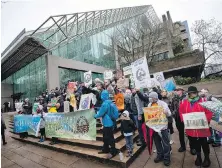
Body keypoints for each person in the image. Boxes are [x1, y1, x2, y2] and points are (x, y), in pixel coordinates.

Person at [179, 86, 213, 167]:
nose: (192, 94)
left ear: (197, 93)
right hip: (191, 128)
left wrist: (205, 120)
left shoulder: (204, 102)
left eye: (194, 93)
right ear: (188, 94)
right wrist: (184, 119)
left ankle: (207, 158)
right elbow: (181, 112)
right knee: (195, 143)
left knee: (204, 143)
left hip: (202, 127)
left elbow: (209, 113)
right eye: (190, 93)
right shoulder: (185, 103)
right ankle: (198, 157)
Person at [148, 92, 172, 166]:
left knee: (165, 143)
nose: (150, 99)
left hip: (163, 127)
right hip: (154, 127)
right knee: (157, 142)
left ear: (155, 97)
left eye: (151, 97)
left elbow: (169, 113)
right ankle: (160, 155)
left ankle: (167, 158)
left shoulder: (162, 104)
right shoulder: (149, 104)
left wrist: (166, 112)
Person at [171, 87, 196, 154]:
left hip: (186, 117)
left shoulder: (187, 98)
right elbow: (172, 107)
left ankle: (192, 147)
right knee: (180, 132)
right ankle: (182, 146)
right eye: (176, 90)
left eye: (178, 90)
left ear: (182, 90)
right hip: (178, 117)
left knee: (190, 132)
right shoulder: (174, 98)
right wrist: (173, 114)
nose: (176, 91)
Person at [94, 90, 118, 159]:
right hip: (109, 123)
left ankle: (113, 151)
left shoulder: (105, 104)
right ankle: (106, 148)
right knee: (106, 137)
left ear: (103, 96)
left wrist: (94, 116)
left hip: (107, 123)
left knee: (109, 138)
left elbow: (101, 113)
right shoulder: (110, 102)